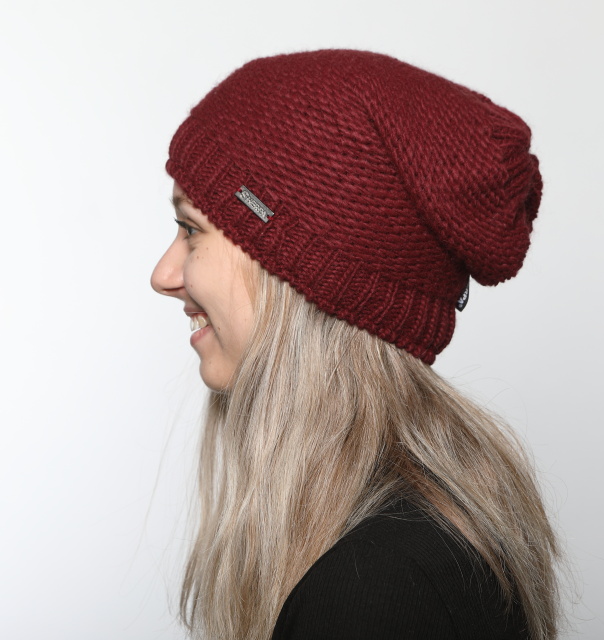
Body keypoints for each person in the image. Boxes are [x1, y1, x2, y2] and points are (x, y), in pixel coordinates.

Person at [151, 49, 561, 640]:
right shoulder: (394, 553)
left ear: (297, 270)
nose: (163, 275)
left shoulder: (380, 588)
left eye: (192, 230)